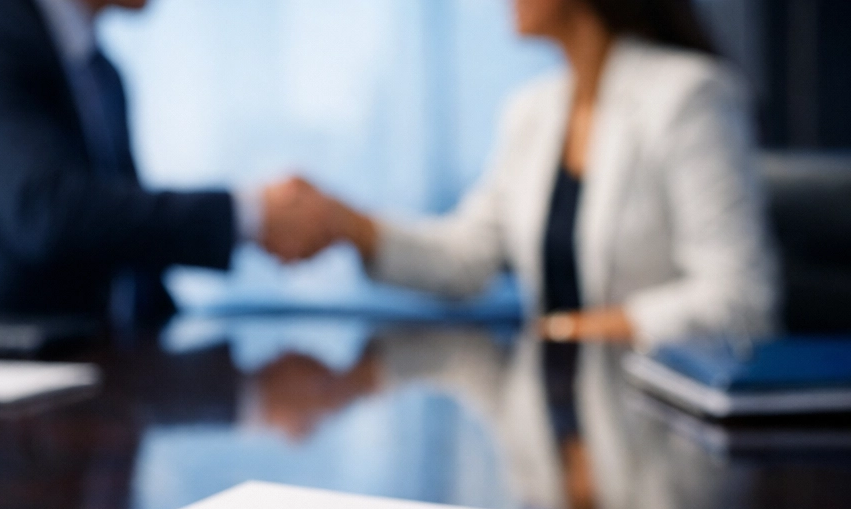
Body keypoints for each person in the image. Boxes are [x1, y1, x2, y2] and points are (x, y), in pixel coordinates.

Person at [282, 0, 779, 351]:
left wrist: (571, 332)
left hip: (659, 425)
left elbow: (738, 299)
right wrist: (349, 226)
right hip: (557, 419)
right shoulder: (532, 111)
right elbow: (468, 258)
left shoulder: (689, 97)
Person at [0, 0, 319, 326]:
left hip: (101, 362)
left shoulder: (100, 72)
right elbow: (46, 211)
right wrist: (249, 216)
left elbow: (120, 243)